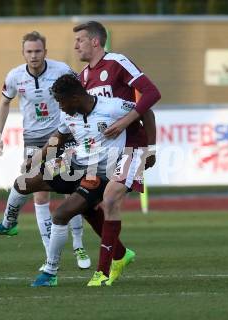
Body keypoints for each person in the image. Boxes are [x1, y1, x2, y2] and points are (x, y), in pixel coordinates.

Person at [0, 31, 91, 269]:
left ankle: (79, 245)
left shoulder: (62, 70)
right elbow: (4, 102)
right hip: (33, 140)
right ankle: (50, 254)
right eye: (29, 52)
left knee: (72, 192)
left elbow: (81, 95)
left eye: (38, 51)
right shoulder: (15, 76)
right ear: (23, 53)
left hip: (63, 136)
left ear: (45, 52)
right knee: (39, 193)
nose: (34, 56)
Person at [30, 74, 140, 287]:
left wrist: (150, 148)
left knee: (67, 212)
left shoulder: (113, 107)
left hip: (105, 170)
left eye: (61, 102)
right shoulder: (70, 115)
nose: (60, 107)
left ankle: (60, 270)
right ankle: (7, 222)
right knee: (26, 181)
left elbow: (146, 110)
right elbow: (58, 138)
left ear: (74, 98)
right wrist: (36, 160)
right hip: (79, 163)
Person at [73, 21, 161, 285]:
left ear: (96, 41)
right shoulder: (82, 78)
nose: (76, 45)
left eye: (80, 40)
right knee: (85, 205)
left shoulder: (118, 62)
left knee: (110, 200)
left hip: (132, 145)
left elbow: (151, 94)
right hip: (102, 153)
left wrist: (146, 142)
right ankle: (120, 254)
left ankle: (102, 272)